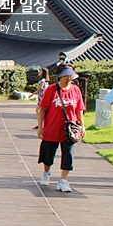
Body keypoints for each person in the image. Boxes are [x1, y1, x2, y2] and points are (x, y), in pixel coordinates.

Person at [36, 64, 85, 192]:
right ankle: (46, 173)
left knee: (68, 154)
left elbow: (79, 109)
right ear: (60, 77)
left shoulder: (75, 90)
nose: (69, 79)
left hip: (69, 130)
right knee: (48, 153)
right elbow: (42, 109)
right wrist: (40, 127)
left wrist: (82, 126)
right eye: (66, 76)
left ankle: (63, 180)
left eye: (70, 76)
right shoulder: (51, 90)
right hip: (52, 128)